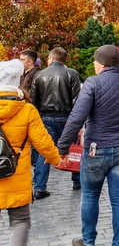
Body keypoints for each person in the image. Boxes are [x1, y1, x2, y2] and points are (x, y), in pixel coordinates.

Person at [57, 45, 119, 246]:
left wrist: (62, 147)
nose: (94, 64)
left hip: (96, 150)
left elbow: (77, 117)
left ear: (102, 63)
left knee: (89, 196)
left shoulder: (92, 84)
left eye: (95, 61)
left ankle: (88, 241)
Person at [0, 59, 61, 246]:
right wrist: (56, 159)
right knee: (20, 221)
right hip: (16, 175)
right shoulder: (27, 109)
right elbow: (43, 142)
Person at [31, 47, 81, 198]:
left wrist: (38, 116)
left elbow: (35, 99)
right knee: (73, 149)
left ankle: (39, 186)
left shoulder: (40, 75)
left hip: (46, 117)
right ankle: (77, 181)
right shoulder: (72, 74)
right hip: (67, 117)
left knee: (44, 151)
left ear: (51, 58)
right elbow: (77, 100)